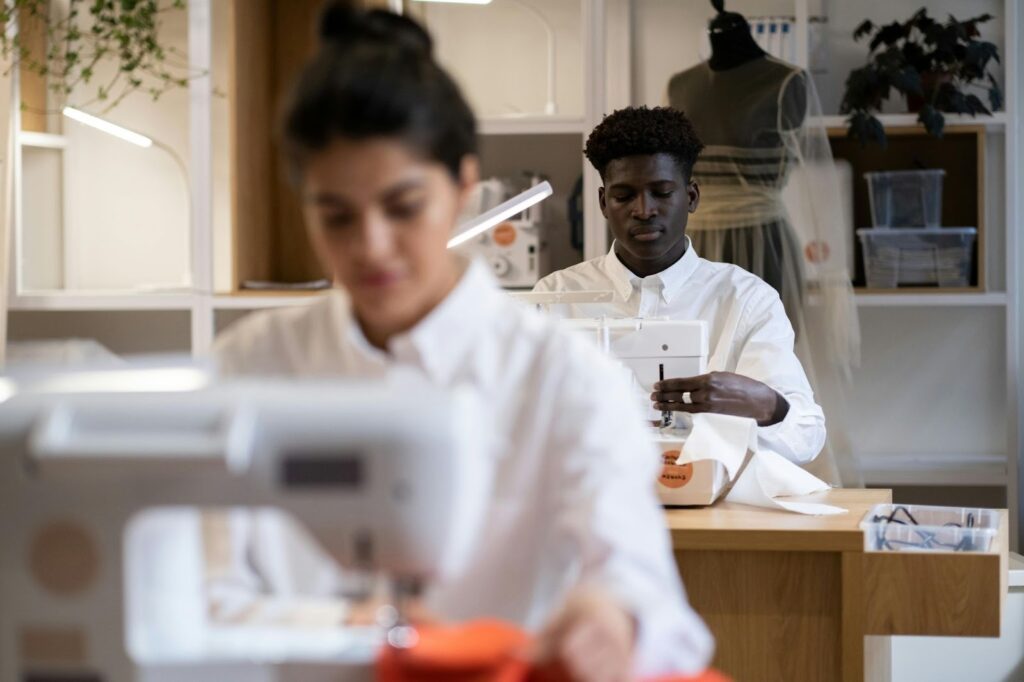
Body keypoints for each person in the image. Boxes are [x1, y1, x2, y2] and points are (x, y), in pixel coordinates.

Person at [212, 5, 712, 680]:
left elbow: (643, 591)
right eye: (336, 216)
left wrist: (611, 618)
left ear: (462, 188)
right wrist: (336, 631)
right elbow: (194, 596)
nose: (371, 246)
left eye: (403, 207)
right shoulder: (249, 368)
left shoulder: (563, 379)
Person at [534, 106, 825, 466]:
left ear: (691, 197)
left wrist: (764, 404)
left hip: (711, 500)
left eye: (661, 192)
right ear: (603, 203)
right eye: (624, 196)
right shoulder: (555, 298)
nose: (644, 210)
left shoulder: (747, 300)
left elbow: (807, 437)